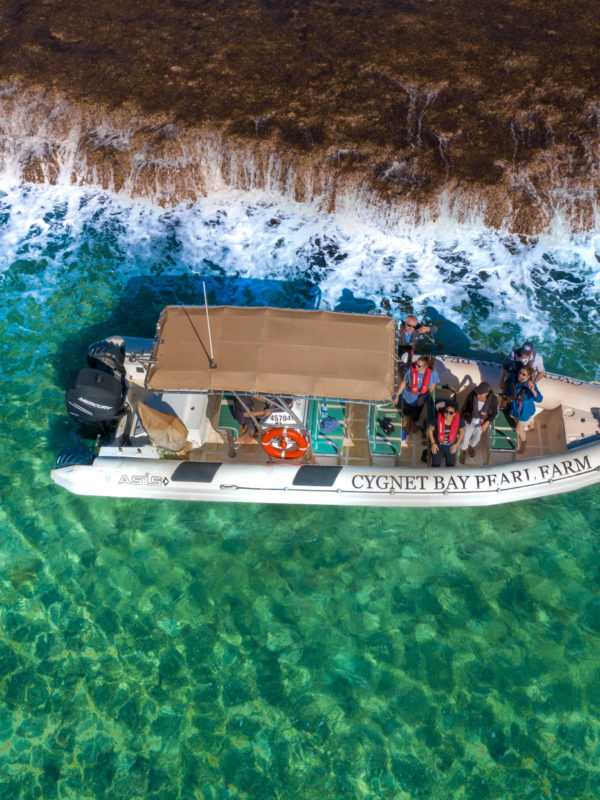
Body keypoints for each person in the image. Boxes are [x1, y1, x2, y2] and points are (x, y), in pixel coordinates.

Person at [394, 355, 439, 434]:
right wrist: (397, 395)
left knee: (414, 417)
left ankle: (412, 424)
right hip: (408, 396)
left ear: (425, 366)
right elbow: (404, 382)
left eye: (419, 366)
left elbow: (432, 388)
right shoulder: (411, 369)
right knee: (406, 413)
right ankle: (408, 426)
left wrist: (423, 397)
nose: (416, 366)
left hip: (420, 400)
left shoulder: (433, 373)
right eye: (416, 364)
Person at [459, 381, 498, 464]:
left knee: (476, 438)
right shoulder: (473, 394)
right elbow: (464, 407)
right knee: (465, 437)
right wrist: (461, 422)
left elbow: (495, 412)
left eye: (480, 393)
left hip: (481, 423)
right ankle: (463, 450)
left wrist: (487, 422)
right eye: (478, 392)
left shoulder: (493, 399)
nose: (478, 394)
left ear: (487, 393)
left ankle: (471, 446)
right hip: (469, 420)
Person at [507, 364, 543, 454]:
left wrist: (533, 390)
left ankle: (523, 443)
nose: (520, 375)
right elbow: (510, 390)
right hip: (515, 409)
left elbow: (539, 399)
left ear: (529, 376)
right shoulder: (515, 380)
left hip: (525, 412)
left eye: (523, 374)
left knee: (518, 430)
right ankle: (530, 423)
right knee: (516, 420)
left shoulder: (531, 385)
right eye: (520, 373)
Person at [428, 400, 465, 467]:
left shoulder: (460, 421)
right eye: (446, 411)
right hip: (438, 446)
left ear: (454, 414)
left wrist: (456, 445)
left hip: (451, 447)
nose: (448, 414)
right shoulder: (436, 419)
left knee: (450, 467)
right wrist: (433, 444)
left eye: (451, 413)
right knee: (435, 466)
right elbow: (430, 430)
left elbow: (462, 431)